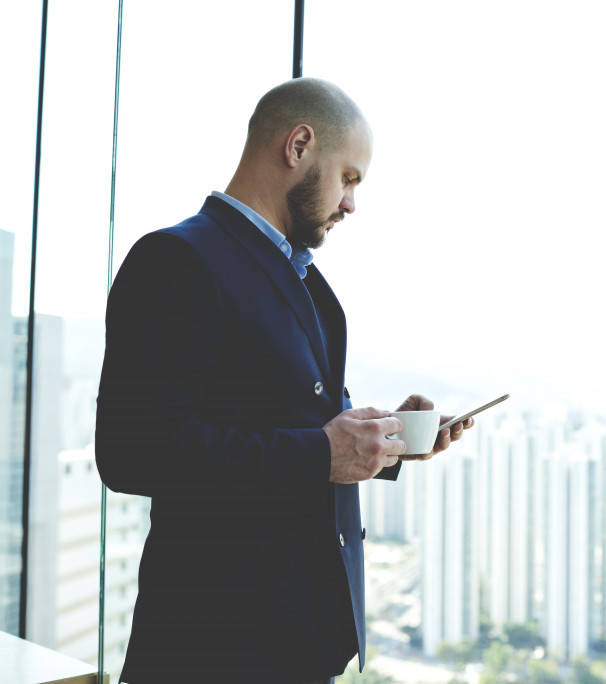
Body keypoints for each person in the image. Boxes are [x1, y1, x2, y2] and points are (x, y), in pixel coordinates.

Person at [95, 77, 472, 684]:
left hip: (293, 646)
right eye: (349, 178)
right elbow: (133, 452)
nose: (351, 203)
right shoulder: (177, 259)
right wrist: (324, 451)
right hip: (212, 651)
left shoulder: (305, 283)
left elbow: (289, 420)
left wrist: (391, 439)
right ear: (298, 146)